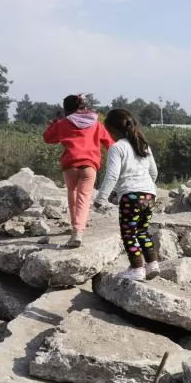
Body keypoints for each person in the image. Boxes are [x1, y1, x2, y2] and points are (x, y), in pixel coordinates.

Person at [94, 109, 160, 281]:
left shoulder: (116, 148)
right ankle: (152, 264)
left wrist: (101, 198)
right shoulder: (144, 145)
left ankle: (137, 268)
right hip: (149, 196)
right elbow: (154, 172)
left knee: (129, 233)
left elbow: (112, 176)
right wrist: (147, 188)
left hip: (131, 196)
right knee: (142, 230)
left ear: (112, 130)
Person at [43, 94, 113, 248]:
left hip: (70, 165)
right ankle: (78, 230)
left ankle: (76, 227)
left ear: (66, 110)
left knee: (72, 194)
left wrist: (55, 121)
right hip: (89, 166)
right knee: (84, 197)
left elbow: (47, 138)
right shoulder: (96, 124)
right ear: (84, 107)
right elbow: (110, 144)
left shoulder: (62, 123)